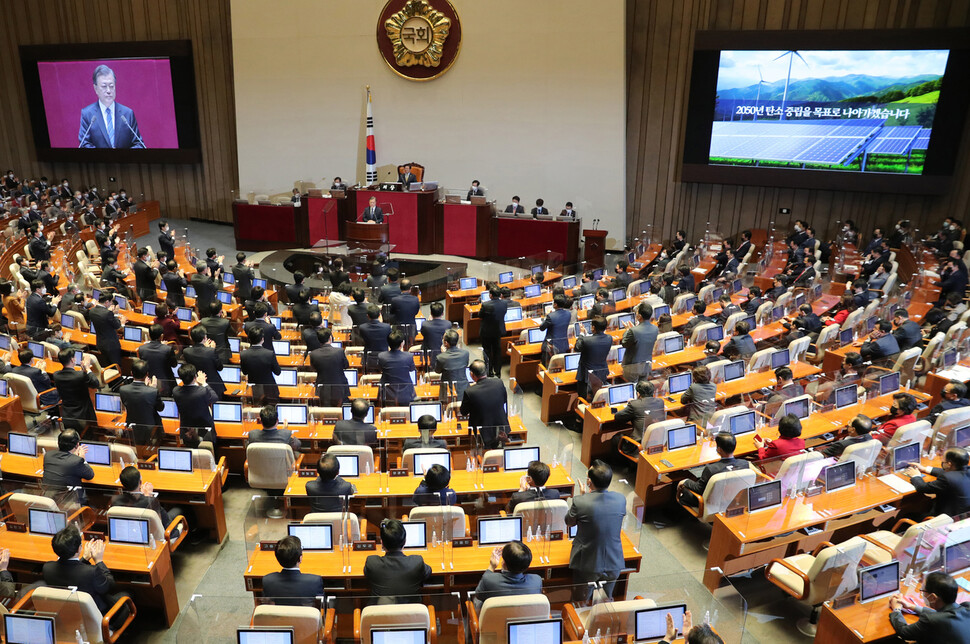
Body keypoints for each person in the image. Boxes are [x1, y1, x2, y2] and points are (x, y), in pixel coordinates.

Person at [44, 526, 132, 630]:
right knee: (128, 594)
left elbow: (73, 572)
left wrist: (84, 559)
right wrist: (99, 561)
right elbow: (109, 586)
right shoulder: (91, 572)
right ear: (79, 548)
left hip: (67, 616)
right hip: (98, 618)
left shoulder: (47, 568)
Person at [565, 460, 626, 598]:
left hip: (588, 563)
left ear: (589, 482)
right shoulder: (621, 499)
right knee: (606, 601)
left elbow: (569, 522)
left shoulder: (580, 501)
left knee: (581, 601)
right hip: (614, 561)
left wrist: (583, 497)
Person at [888, 571, 970, 643]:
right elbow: (944, 615)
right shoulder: (967, 607)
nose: (922, 593)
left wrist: (897, 609)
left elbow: (903, 632)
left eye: (922, 590)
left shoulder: (931, 620)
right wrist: (911, 606)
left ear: (933, 597)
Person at [364, 518, 432, 602]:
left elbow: (367, 574)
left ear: (382, 543)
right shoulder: (416, 562)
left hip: (381, 613)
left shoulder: (372, 562)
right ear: (405, 542)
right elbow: (428, 572)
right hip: (410, 614)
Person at [78, 64, 144, 148]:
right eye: (104, 86)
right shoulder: (87, 114)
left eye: (111, 86)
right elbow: (84, 144)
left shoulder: (127, 113)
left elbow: (138, 143)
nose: (108, 91)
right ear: (96, 88)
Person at [678, 433, 751, 507]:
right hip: (733, 502)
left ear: (719, 449)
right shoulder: (744, 464)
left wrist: (685, 481)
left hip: (709, 504)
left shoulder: (711, 469)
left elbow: (699, 489)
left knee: (683, 490)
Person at [472, 541, 542, 610]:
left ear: (503, 563)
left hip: (496, 619)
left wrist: (492, 567)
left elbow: (478, 595)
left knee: (476, 601)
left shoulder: (489, 580)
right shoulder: (536, 581)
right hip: (524, 619)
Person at [111, 466, 178, 537]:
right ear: (140, 483)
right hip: (163, 534)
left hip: (132, 534)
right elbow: (158, 525)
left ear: (122, 483)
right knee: (180, 509)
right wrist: (149, 496)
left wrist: (145, 496)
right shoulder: (150, 501)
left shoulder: (115, 500)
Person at [904, 448, 970, 517]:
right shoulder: (965, 470)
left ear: (949, 464)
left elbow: (922, 488)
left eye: (943, 461)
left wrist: (915, 475)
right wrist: (925, 469)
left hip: (945, 518)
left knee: (907, 515)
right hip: (963, 516)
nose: (942, 462)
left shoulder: (947, 479)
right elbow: (951, 472)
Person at [261, 535, 326, 606]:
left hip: (280, 617)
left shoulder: (267, 580)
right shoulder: (315, 581)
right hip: (304, 617)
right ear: (300, 558)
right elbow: (322, 606)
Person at [461, 360, 511, 449]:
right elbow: (504, 400)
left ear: (472, 374)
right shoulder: (499, 382)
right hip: (501, 428)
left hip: (482, 434)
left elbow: (464, 412)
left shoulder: (470, 391)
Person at [52, 349, 100, 432]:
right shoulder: (81, 375)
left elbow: (74, 377)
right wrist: (87, 368)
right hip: (83, 416)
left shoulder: (56, 375)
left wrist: (83, 372)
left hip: (67, 415)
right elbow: (95, 383)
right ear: (72, 359)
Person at [119, 359, 164, 446]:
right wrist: (152, 388)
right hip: (150, 429)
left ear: (131, 373)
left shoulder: (123, 389)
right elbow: (160, 408)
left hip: (132, 426)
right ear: (147, 374)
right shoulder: (152, 391)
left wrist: (149, 389)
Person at [172, 363, 219, 445]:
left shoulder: (176, 391)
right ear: (195, 377)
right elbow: (214, 398)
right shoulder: (202, 391)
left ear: (180, 378)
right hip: (205, 430)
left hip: (186, 429)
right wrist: (204, 383)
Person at [41, 429, 94, 499]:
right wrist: (82, 458)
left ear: (58, 443)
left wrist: (74, 456)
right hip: (69, 500)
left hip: (49, 496)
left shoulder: (48, 455)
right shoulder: (76, 461)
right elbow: (90, 475)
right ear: (77, 445)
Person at [614, 378, 666, 448]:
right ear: (653, 392)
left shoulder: (634, 404)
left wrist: (631, 403)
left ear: (638, 393)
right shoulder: (660, 401)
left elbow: (617, 417)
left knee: (616, 438)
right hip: (656, 441)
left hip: (638, 445)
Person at [308, 327, 351, 406]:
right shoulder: (339, 351)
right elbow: (346, 366)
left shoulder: (313, 354)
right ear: (330, 338)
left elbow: (313, 369)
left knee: (325, 411)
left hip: (322, 388)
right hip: (339, 387)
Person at [240, 326, 282, 405]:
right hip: (270, 391)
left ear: (249, 339)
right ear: (262, 339)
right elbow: (278, 372)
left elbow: (245, 372)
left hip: (254, 391)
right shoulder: (269, 354)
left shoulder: (243, 354)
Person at [182, 325, 226, 399]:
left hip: (196, 384)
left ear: (191, 338)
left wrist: (207, 349)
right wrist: (211, 349)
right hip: (213, 386)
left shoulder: (186, 351)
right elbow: (220, 367)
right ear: (205, 338)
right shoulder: (211, 351)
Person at [575, 315, 612, 400]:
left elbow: (577, 347)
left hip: (586, 376)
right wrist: (587, 335)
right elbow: (594, 343)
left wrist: (581, 334)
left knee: (583, 398)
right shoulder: (609, 338)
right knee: (598, 396)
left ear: (593, 327)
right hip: (601, 373)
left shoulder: (586, 340)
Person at [621, 302, 658, 382]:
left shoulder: (633, 331)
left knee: (633, 389)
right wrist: (633, 330)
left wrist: (627, 331)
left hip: (632, 367)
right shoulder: (655, 329)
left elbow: (624, 343)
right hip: (647, 365)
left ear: (639, 316)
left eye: (637, 312)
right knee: (642, 388)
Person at [138, 323, 178, 396]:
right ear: (161, 336)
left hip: (149, 382)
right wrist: (164, 346)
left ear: (149, 335)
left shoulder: (141, 349)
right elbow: (174, 365)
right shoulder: (167, 349)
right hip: (166, 384)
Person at [379, 330, 416, 406]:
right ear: (402, 343)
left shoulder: (382, 356)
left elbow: (380, 369)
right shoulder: (408, 356)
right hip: (406, 392)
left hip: (387, 393)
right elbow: (412, 369)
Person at [478, 286, 508, 378]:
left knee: (487, 351)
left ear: (490, 295)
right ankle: (498, 372)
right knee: (497, 351)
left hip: (487, 332)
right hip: (498, 331)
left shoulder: (486, 305)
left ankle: (489, 371)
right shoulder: (504, 303)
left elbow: (480, 315)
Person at [435, 329, 470, 403]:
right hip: (463, 390)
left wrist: (444, 354)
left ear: (446, 343)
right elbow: (465, 365)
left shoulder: (441, 357)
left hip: (447, 392)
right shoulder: (465, 354)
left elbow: (437, 371)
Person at [539, 295, 571, 365]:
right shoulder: (568, 314)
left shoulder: (550, 316)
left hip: (551, 346)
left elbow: (541, 328)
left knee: (547, 366)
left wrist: (546, 317)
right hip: (563, 344)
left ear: (555, 304)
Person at [359, 304, 391, 370]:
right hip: (384, 357)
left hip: (368, 358)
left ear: (367, 316)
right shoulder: (387, 327)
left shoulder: (362, 327)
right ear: (379, 315)